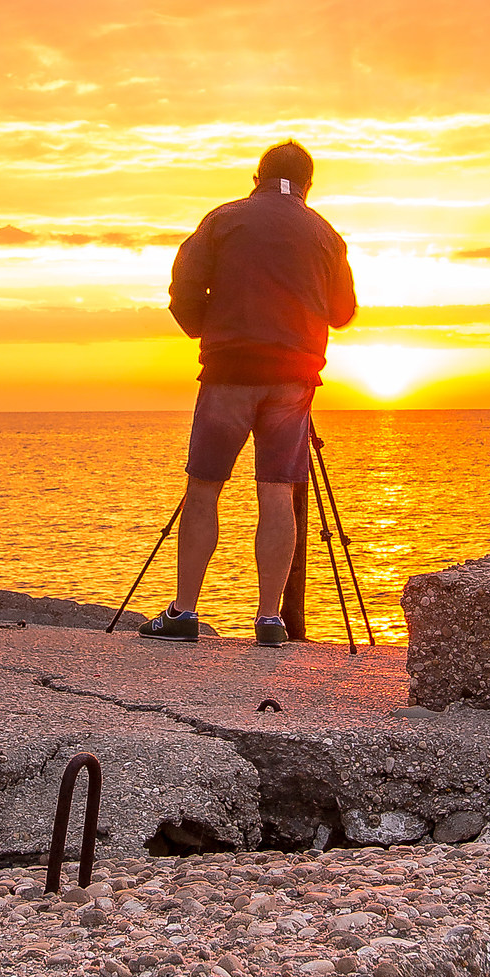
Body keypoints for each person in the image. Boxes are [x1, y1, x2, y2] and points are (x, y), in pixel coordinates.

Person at [141, 139, 357, 646]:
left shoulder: (223, 219)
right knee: (278, 492)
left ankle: (184, 613)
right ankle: (269, 620)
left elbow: (184, 288)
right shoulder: (326, 233)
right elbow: (343, 311)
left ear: (256, 176)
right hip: (294, 378)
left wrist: (204, 329)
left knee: (204, 488)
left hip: (229, 371)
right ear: (308, 185)